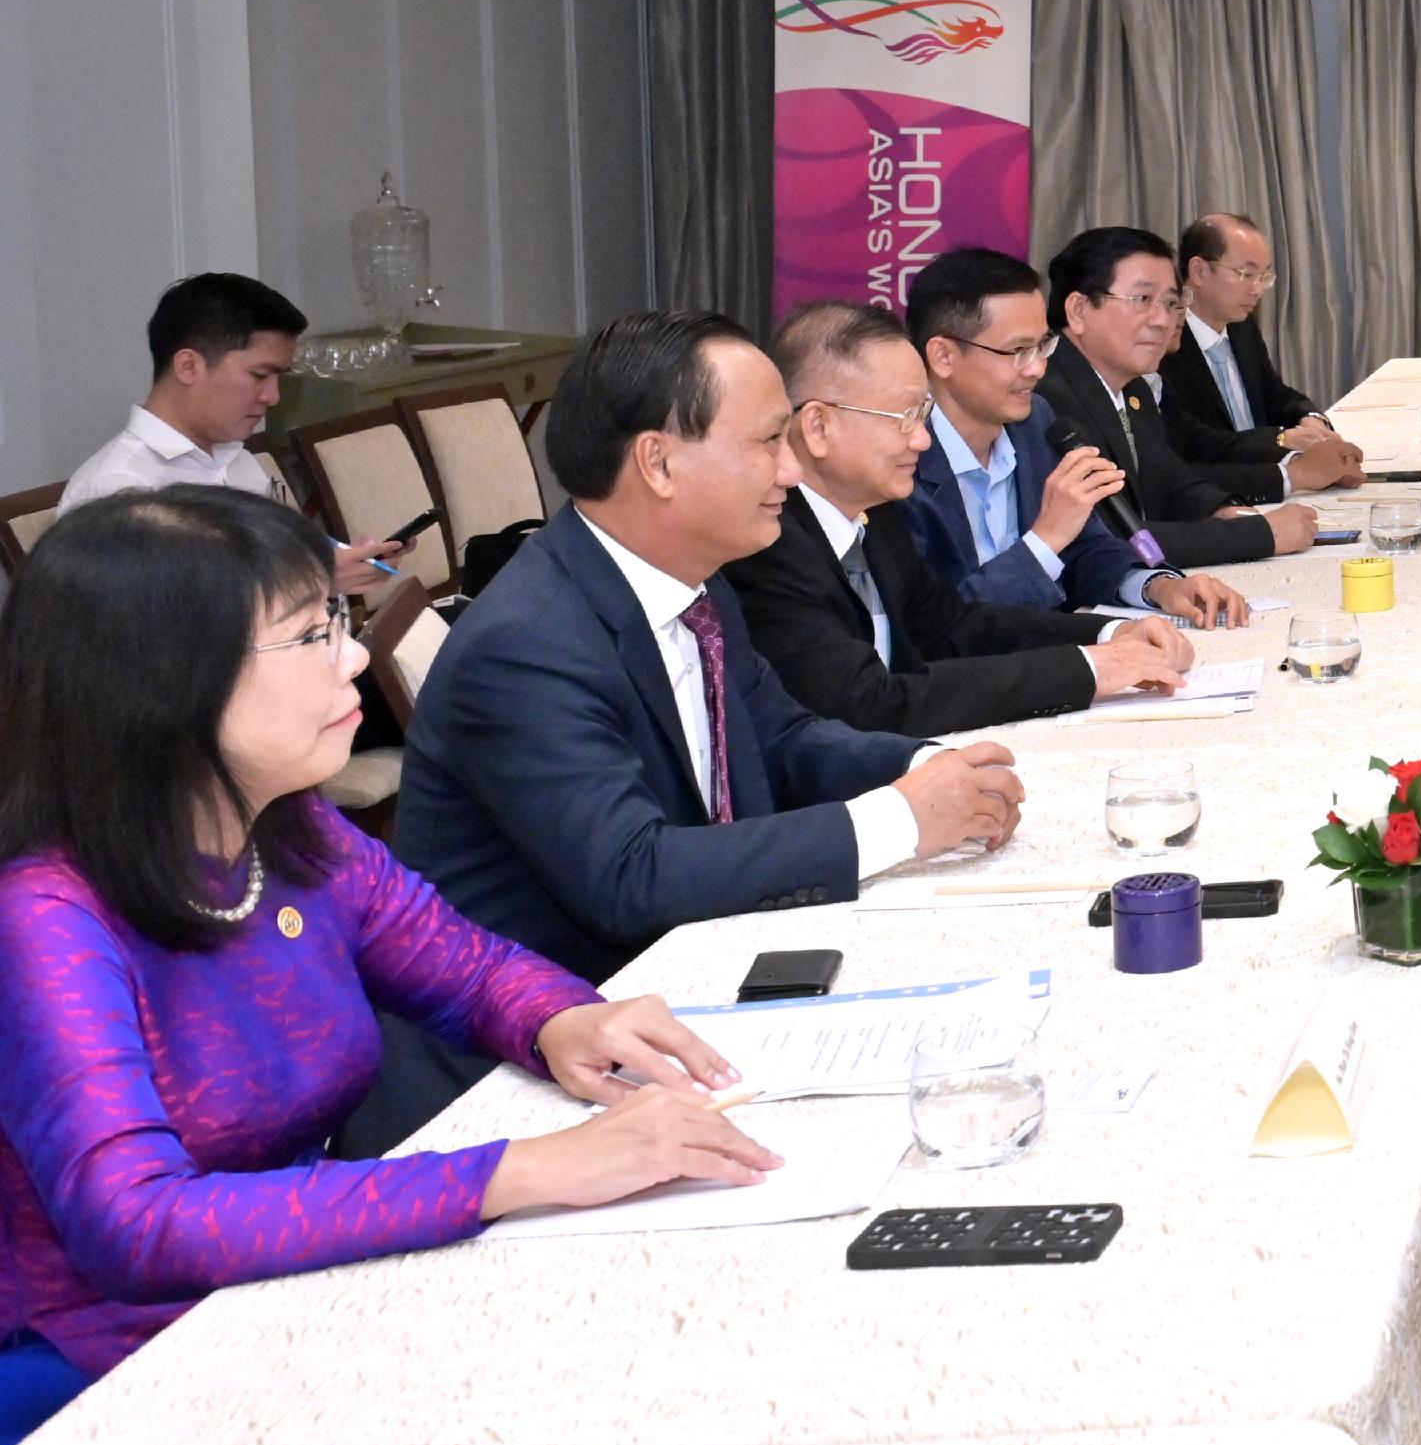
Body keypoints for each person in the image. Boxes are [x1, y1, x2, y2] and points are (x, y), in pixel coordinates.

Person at [0, 489, 781, 1445]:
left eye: (339, 620)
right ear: (167, 681)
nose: (358, 656)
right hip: (112, 1368)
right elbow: (138, 1225)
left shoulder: (291, 833)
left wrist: (559, 1021)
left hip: (294, 1285)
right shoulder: (46, 920)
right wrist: (521, 1171)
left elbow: (465, 968)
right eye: (308, 636)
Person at [394, 312, 1029, 987]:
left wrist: (929, 767)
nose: (791, 468)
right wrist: (899, 819)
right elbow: (630, 876)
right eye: (766, 441)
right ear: (659, 463)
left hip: (692, 970)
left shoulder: (699, 588)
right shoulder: (526, 646)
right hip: (551, 1029)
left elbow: (782, 743)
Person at [722, 303, 1196, 738]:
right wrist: (1089, 669)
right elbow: (868, 704)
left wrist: (1111, 634)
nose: (923, 441)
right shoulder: (766, 545)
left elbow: (954, 628)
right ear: (819, 426)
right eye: (904, 416)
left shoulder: (876, 515)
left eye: (923, 413)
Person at [902, 247, 1248, 626]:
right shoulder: (903, 464)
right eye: (1018, 351)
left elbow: (1086, 550)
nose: (1037, 368)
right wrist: (1044, 539)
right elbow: (936, 627)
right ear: (943, 357)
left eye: (1041, 345)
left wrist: (1157, 586)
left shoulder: (1034, 421)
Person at [57, 275, 412, 586]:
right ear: (188, 366)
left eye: (278, 378)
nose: (272, 397)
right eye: (260, 375)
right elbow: (157, 634)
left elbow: (261, 576)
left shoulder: (237, 460)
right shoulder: (117, 489)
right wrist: (311, 581)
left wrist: (342, 565)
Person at [1037, 228, 1321, 570]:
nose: (1162, 320)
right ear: (1079, 309)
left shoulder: (1133, 387)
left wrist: (1224, 509)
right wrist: (1257, 535)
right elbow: (1106, 535)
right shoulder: (1046, 400)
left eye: (1171, 303)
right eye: (1142, 300)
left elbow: (1172, 481)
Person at [1159, 212, 1362, 484]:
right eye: (1247, 274)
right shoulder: (1163, 345)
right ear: (1199, 271)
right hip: (1219, 489)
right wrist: (1282, 439)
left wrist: (1311, 419)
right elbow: (1193, 443)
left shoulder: (1241, 327)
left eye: (1264, 276)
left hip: (1268, 475)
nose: (1257, 289)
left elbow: (1274, 394)